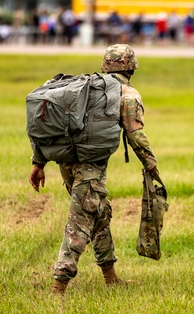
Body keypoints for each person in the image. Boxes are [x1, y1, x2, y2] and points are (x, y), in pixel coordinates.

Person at [28, 44, 160, 296]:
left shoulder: (88, 89)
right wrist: (151, 165)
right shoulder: (127, 94)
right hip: (90, 167)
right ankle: (58, 287)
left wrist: (39, 163)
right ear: (131, 67)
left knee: (100, 213)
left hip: (66, 161)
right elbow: (136, 135)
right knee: (80, 222)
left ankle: (110, 277)